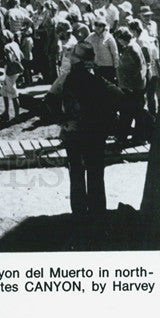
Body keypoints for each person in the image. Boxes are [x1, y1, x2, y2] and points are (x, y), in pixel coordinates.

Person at [57, 42, 125, 221]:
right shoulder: (98, 80)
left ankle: (79, 212)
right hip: (95, 133)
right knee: (95, 172)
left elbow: (49, 101)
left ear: (76, 60)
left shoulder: (67, 78)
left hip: (74, 132)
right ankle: (97, 211)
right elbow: (119, 96)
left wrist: (63, 121)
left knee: (77, 172)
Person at [115, 26, 147, 144]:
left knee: (128, 113)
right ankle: (134, 137)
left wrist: (130, 84)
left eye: (118, 39)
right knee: (133, 112)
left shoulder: (131, 48)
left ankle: (128, 138)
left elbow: (138, 67)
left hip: (132, 87)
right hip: (133, 86)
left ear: (122, 38)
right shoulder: (131, 46)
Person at [0, 30, 24, 121]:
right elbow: (21, 56)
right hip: (16, 70)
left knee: (13, 93)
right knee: (4, 91)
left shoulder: (6, 46)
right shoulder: (15, 44)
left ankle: (17, 116)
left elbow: (9, 59)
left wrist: (4, 61)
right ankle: (6, 112)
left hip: (10, 70)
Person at [87, 17, 119, 83]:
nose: (98, 27)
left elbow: (115, 53)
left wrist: (116, 69)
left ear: (104, 27)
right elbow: (83, 46)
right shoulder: (91, 37)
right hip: (96, 67)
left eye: (100, 25)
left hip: (108, 68)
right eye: (96, 24)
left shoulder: (109, 38)